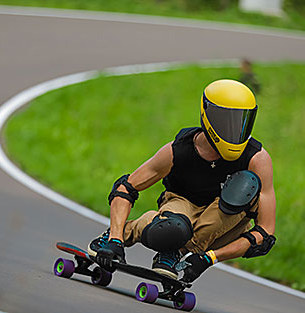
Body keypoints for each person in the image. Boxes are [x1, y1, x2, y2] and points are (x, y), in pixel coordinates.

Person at [87, 79, 276, 282]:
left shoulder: (257, 160)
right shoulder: (178, 150)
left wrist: (209, 258)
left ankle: (173, 251)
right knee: (172, 230)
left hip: (222, 221)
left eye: (241, 121)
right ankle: (125, 234)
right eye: (226, 121)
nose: (233, 129)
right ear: (207, 115)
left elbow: (264, 234)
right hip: (181, 204)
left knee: (243, 192)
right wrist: (116, 238)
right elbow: (126, 187)